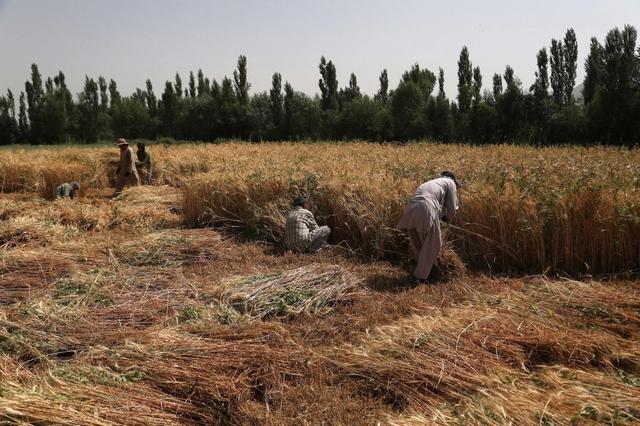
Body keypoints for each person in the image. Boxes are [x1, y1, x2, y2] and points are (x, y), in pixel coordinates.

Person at [398, 171, 459, 283]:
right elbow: (452, 208)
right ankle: (420, 277)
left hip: (411, 207)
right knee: (434, 243)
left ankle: (421, 271)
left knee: (419, 243)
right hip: (426, 206)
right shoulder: (450, 182)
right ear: (453, 179)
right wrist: (447, 220)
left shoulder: (433, 182)